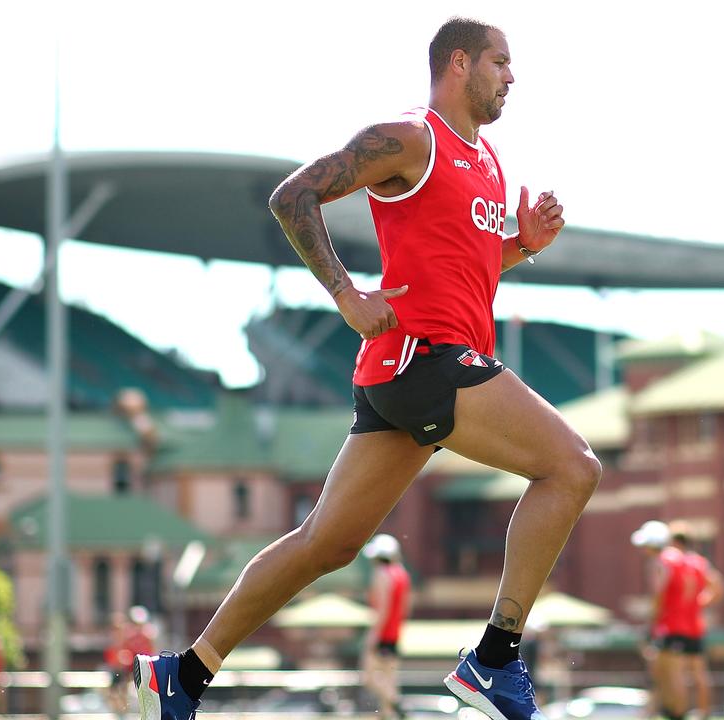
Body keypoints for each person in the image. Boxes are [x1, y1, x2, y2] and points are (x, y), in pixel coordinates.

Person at [135, 16, 599, 720]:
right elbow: (292, 195)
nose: (513, 76)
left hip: (409, 370)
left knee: (326, 543)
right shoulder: (412, 137)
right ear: (460, 62)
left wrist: (521, 245)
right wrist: (345, 294)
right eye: (502, 61)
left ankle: (184, 675)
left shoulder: (490, 160)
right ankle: (495, 659)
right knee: (572, 466)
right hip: (426, 360)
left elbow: (460, 271)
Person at [649, 522, 724, 720]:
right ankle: (704, 713)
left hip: (673, 625)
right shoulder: (699, 562)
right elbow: (718, 586)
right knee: (700, 673)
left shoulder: (670, 560)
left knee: (676, 674)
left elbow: (660, 592)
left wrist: (654, 619)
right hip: (694, 626)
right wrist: (700, 603)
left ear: (673, 541)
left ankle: (678, 714)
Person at [361, 534, 412, 720]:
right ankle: (388, 713)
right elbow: (404, 608)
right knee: (389, 678)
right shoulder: (402, 574)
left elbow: (382, 609)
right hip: (395, 635)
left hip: (382, 635)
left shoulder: (382, 574)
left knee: (370, 677)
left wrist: (374, 635)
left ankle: (396, 702)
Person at [630, 521, 670, 718]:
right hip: (670, 625)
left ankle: (653, 712)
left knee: (658, 673)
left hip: (664, 627)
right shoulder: (671, 561)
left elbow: (658, 596)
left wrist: (650, 627)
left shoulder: (659, 563)